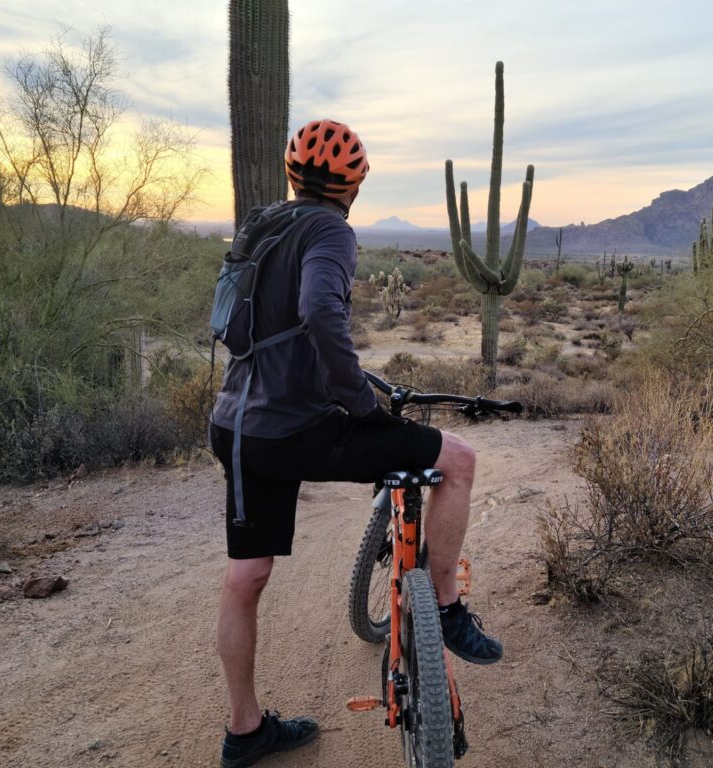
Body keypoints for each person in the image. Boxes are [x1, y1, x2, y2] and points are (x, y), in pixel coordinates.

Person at [209, 118, 502, 768]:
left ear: (292, 175)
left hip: (235, 427)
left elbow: (262, 326)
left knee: (245, 576)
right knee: (458, 459)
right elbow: (318, 312)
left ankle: (244, 730)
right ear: (354, 186)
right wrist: (359, 403)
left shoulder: (261, 226)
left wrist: (333, 379)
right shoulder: (331, 230)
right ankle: (448, 606)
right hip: (297, 430)